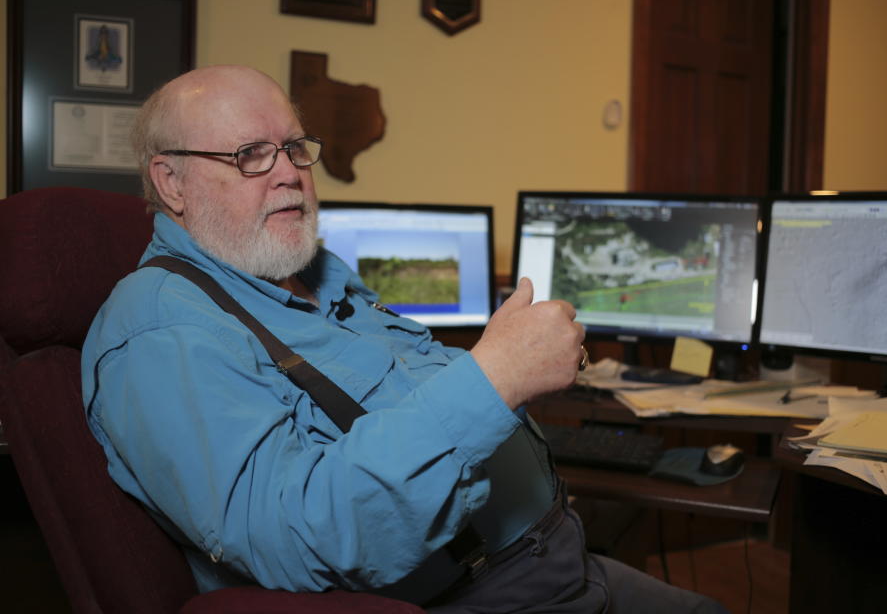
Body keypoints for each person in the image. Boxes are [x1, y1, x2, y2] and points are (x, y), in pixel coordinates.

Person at [81, 65, 728, 613]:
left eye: (296, 147)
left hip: (557, 554)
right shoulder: (159, 329)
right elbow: (293, 538)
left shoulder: (312, 275)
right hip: (491, 592)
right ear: (171, 184)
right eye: (250, 154)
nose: (289, 175)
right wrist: (495, 379)